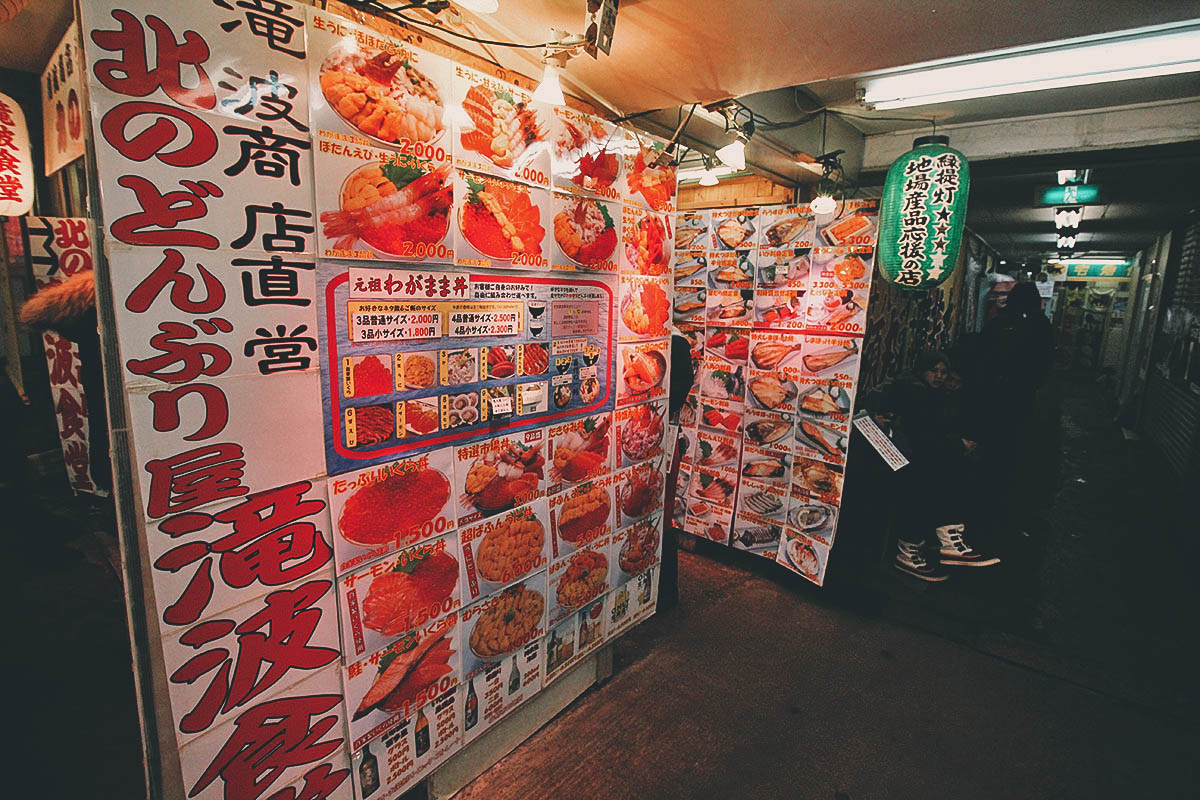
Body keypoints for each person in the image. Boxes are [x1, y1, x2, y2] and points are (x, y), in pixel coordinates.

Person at [887, 351, 999, 581]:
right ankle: (937, 543)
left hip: (916, 459)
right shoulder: (916, 392)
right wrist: (958, 445)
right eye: (934, 371)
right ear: (922, 371)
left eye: (943, 372)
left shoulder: (933, 395)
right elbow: (924, 434)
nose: (938, 376)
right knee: (939, 481)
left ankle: (939, 541)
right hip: (907, 461)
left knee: (946, 476)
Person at [657, 327, 695, 612]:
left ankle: (664, 593)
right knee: (663, 513)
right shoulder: (678, 342)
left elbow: (676, 394)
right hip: (667, 436)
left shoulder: (673, 342)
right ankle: (664, 593)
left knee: (663, 512)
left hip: (665, 439)